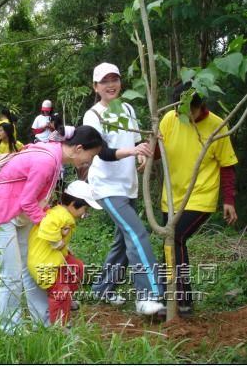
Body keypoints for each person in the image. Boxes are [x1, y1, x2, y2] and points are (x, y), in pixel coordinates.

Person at [0, 125, 127, 334]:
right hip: (1, 212)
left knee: (29, 270)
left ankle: (45, 322)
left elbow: (35, 198)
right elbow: (28, 201)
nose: (89, 161)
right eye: (90, 155)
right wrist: (51, 228)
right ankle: (9, 330)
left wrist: (48, 217)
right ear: (78, 148)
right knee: (11, 274)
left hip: (18, 214)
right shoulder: (47, 160)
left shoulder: (54, 156)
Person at [83, 62, 164, 316]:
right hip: (106, 187)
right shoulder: (92, 116)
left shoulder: (127, 108)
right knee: (138, 234)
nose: (110, 85)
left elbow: (136, 138)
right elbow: (101, 152)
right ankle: (148, 296)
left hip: (128, 185)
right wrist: (132, 151)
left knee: (123, 241)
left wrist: (141, 154)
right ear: (95, 87)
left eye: (114, 79)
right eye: (104, 81)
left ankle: (103, 289)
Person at [159, 81, 238, 317]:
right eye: (179, 111)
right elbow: (158, 150)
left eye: (189, 112)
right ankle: (170, 299)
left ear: (201, 106)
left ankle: (183, 302)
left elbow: (227, 166)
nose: (184, 117)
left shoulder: (217, 126)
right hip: (171, 196)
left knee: (177, 237)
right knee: (168, 245)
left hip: (200, 196)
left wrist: (228, 199)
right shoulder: (169, 119)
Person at [28, 180, 102, 326]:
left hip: (54, 257)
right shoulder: (59, 216)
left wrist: (64, 247)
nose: (85, 213)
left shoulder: (62, 214)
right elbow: (47, 227)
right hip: (44, 263)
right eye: (85, 209)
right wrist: (57, 242)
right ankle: (60, 325)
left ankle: (67, 299)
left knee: (77, 267)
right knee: (60, 291)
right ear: (74, 204)